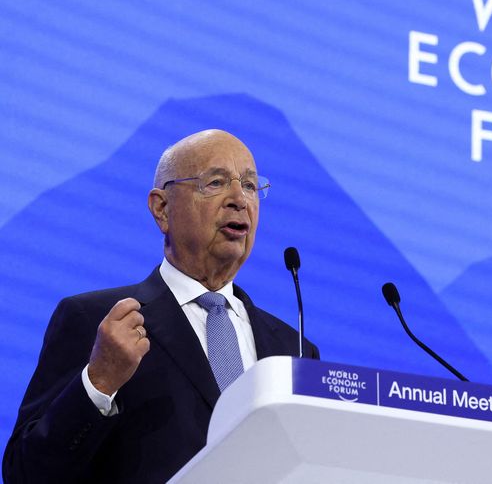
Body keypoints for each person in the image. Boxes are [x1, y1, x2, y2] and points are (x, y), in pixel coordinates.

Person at [3, 129, 319, 483]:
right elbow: (24, 474)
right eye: (216, 182)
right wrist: (99, 382)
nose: (239, 199)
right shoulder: (95, 321)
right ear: (162, 208)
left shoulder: (294, 349)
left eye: (249, 185)